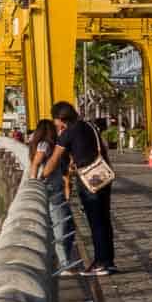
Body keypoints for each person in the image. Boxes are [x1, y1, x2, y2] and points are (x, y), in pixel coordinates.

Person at [53, 101, 116, 276]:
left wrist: (41, 175)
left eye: (55, 120)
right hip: (103, 176)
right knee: (104, 219)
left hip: (88, 181)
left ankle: (100, 263)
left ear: (61, 119)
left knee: (95, 221)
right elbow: (101, 148)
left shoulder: (68, 133)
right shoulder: (89, 126)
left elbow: (55, 159)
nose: (55, 124)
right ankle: (108, 261)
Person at [27, 119, 78, 264]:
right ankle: (64, 263)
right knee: (61, 225)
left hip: (56, 189)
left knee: (67, 225)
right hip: (52, 189)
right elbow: (36, 162)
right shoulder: (45, 144)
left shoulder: (47, 145)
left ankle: (62, 260)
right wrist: (35, 180)